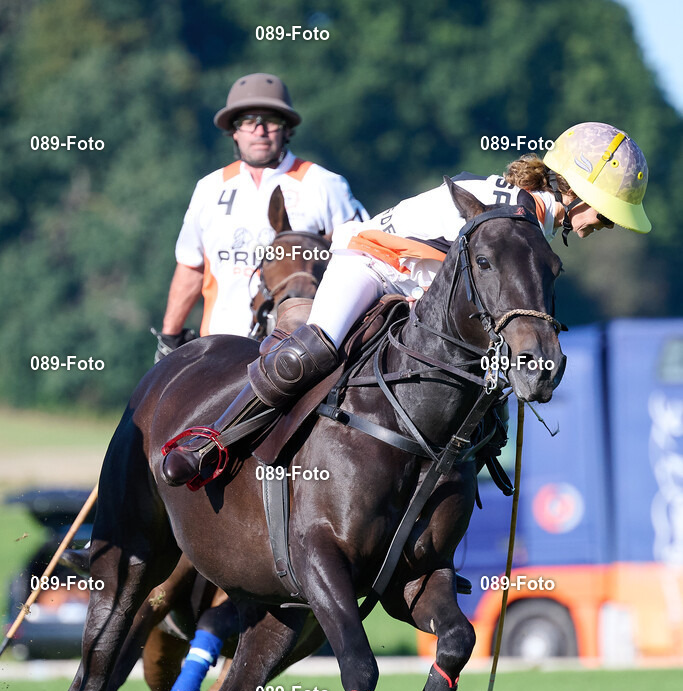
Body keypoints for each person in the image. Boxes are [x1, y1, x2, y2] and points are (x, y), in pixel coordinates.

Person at [162, 121, 651, 491]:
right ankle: (210, 443)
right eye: (606, 214)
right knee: (310, 352)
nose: (606, 225)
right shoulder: (512, 211)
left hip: (422, 294)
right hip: (373, 265)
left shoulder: (534, 221)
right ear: (575, 188)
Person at [155, 72, 367, 360]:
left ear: (286, 129)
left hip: (298, 352)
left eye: (271, 121)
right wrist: (170, 335)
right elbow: (191, 267)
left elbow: (364, 260)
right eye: (248, 121)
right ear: (234, 131)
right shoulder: (209, 188)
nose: (260, 130)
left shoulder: (324, 184)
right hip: (218, 348)